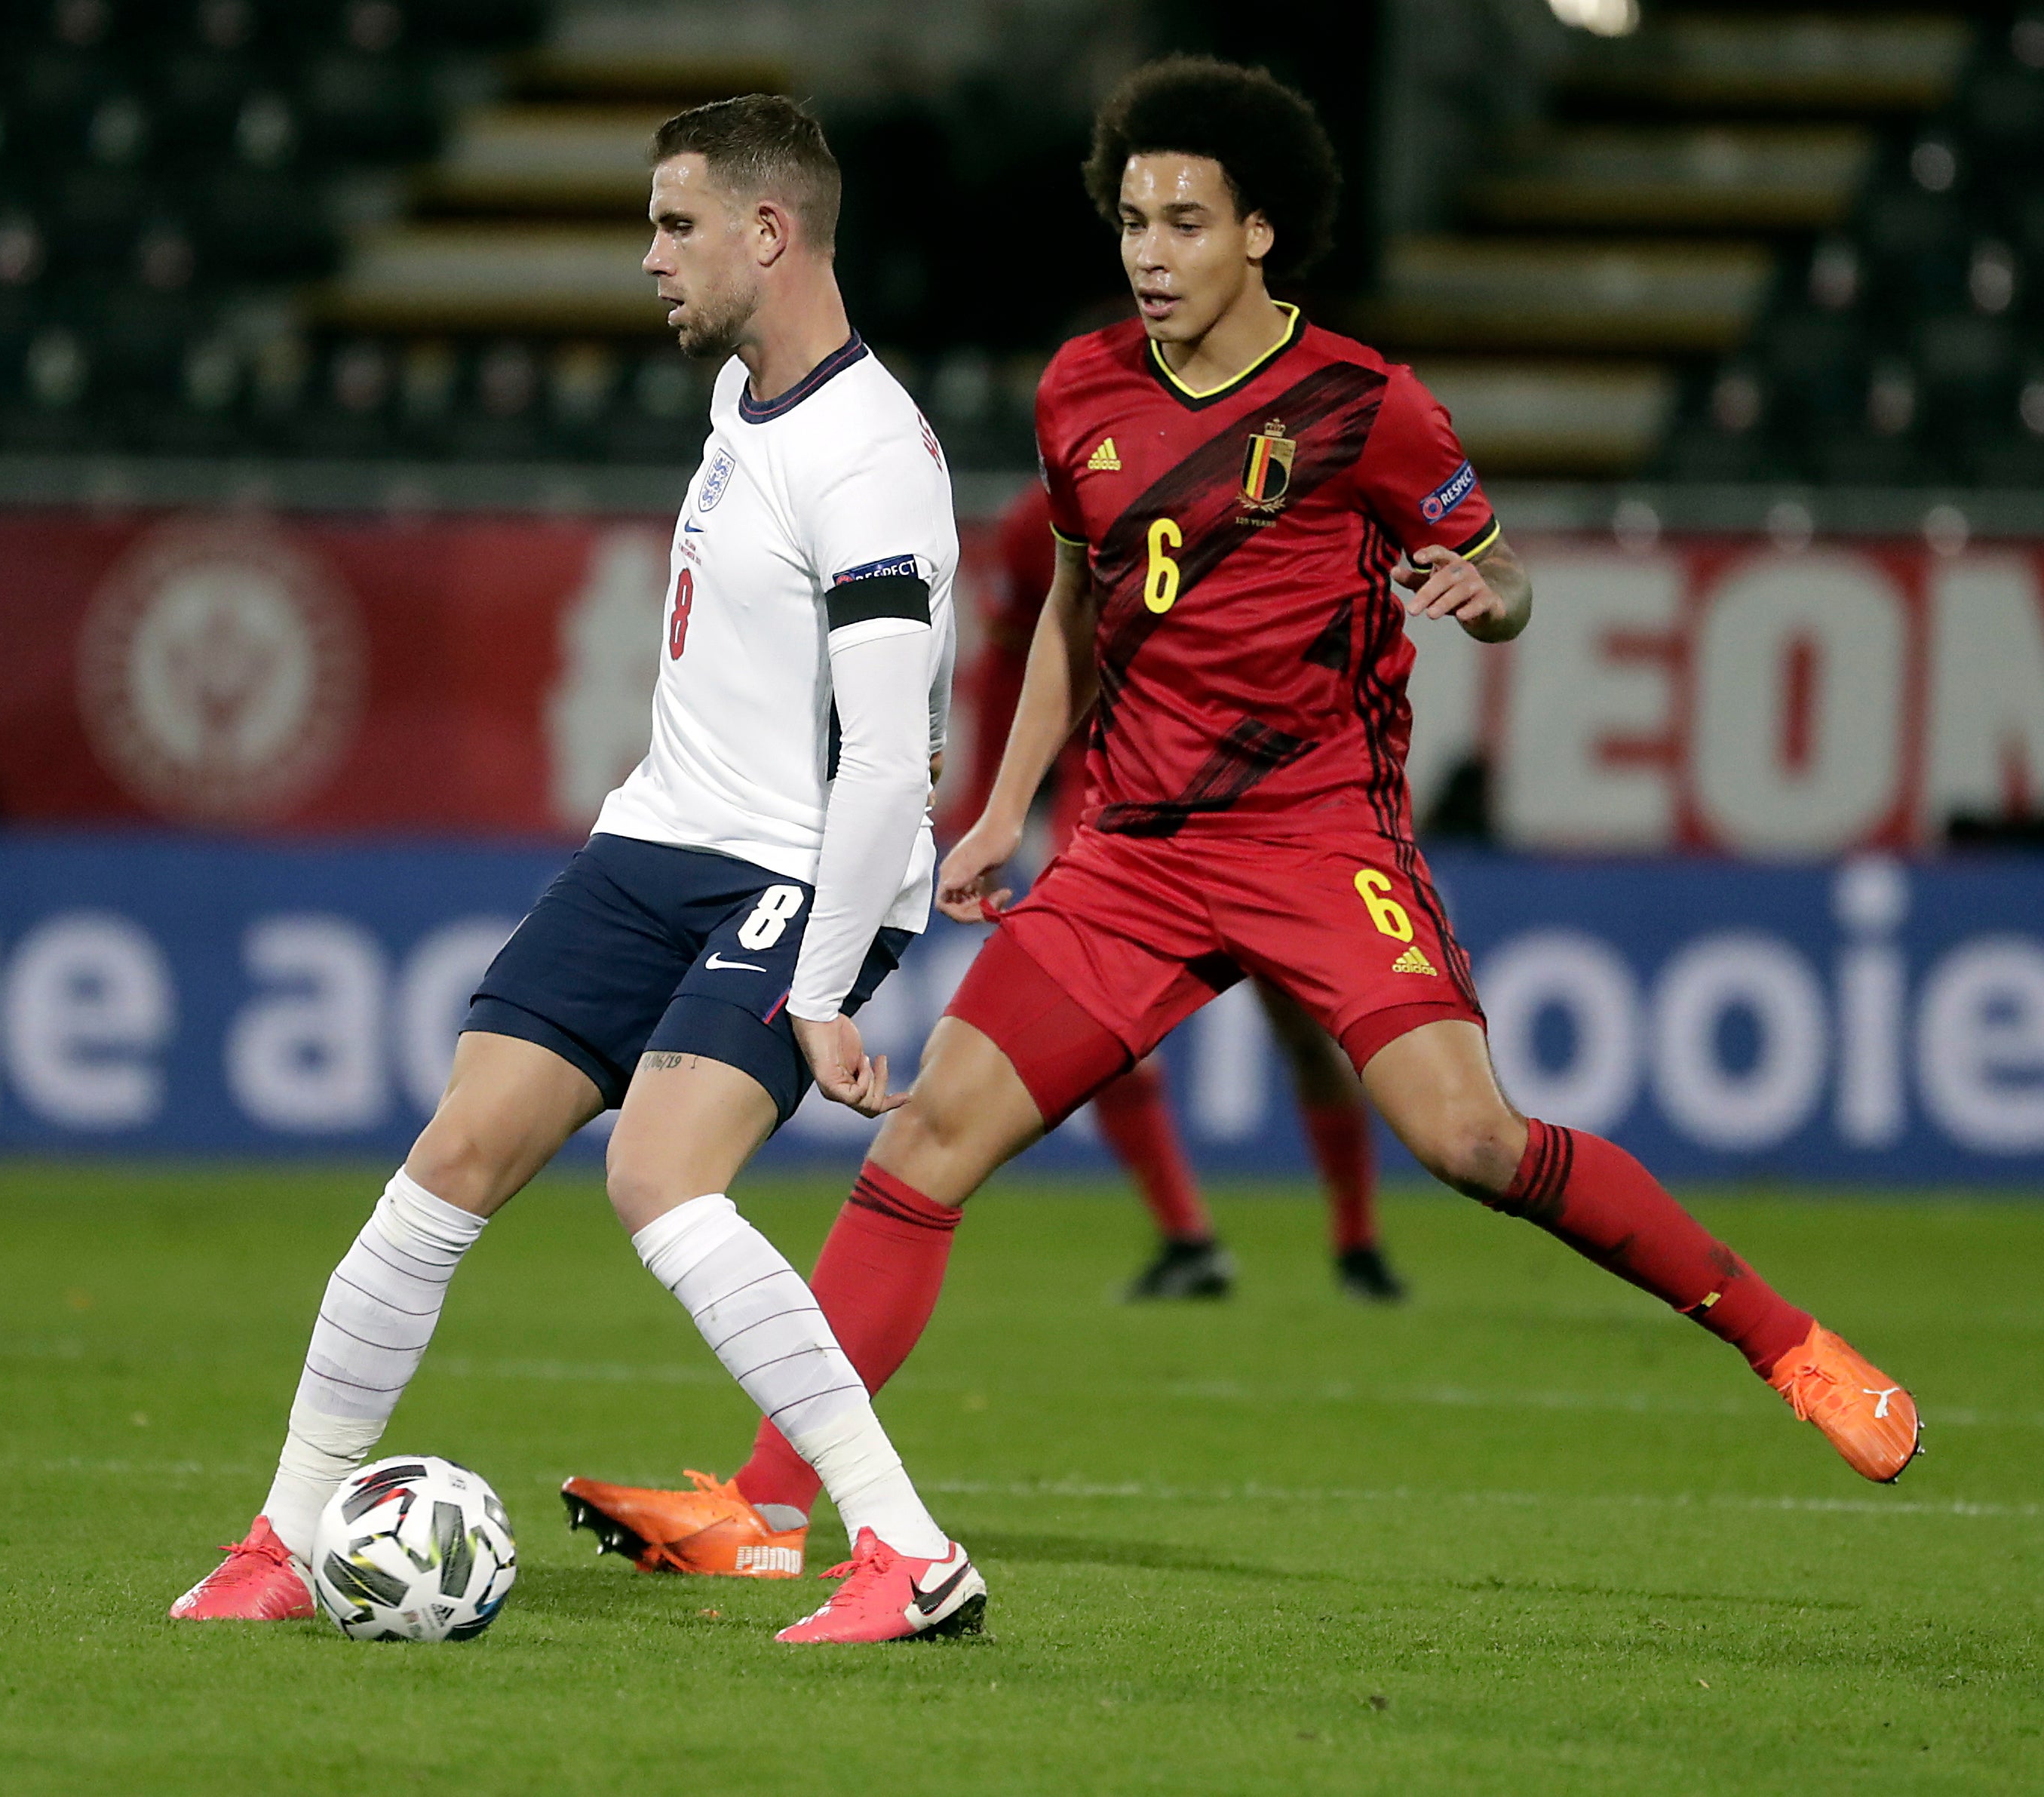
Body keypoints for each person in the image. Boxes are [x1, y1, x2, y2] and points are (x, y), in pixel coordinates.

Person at [562, 54, 1918, 1585]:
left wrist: (1492, 601)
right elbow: (1078, 600)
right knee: (925, 1142)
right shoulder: (1079, 389)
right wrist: (1006, 806)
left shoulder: (1367, 405)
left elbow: (1503, 563)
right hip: (1132, 852)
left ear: (1261, 233)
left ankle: (1779, 1339)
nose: (1148, 254)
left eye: (1185, 222)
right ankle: (770, 1510)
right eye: (1132, 220)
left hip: (1315, 834)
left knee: (1466, 1141)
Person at [169, 94, 984, 1647]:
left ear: (768, 232)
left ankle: (906, 1551)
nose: (647, 258)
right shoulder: (743, 399)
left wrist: (820, 982)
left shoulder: (872, 459)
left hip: (802, 870)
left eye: (675, 226)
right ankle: (283, 1534)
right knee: (457, 1151)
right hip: (657, 836)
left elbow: (885, 761)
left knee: (654, 1175)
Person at [972, 481, 1401, 1302]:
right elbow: (1011, 656)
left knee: (1306, 1026)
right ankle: (1186, 1236)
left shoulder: (1257, 490)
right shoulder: (1042, 519)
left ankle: (1357, 1242)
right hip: (1107, 796)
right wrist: (993, 807)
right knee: (1096, 1032)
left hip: (1252, 795)